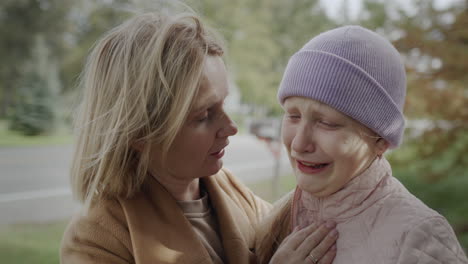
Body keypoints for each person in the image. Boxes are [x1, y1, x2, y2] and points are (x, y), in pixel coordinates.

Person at [60, 11, 338, 264]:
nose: (231, 128)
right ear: (140, 133)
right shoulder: (95, 239)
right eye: (204, 116)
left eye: (224, 105)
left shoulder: (228, 189)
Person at [255, 25, 468, 264]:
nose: (299, 143)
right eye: (293, 115)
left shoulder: (419, 239)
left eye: (327, 123)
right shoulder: (277, 216)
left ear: (380, 141)